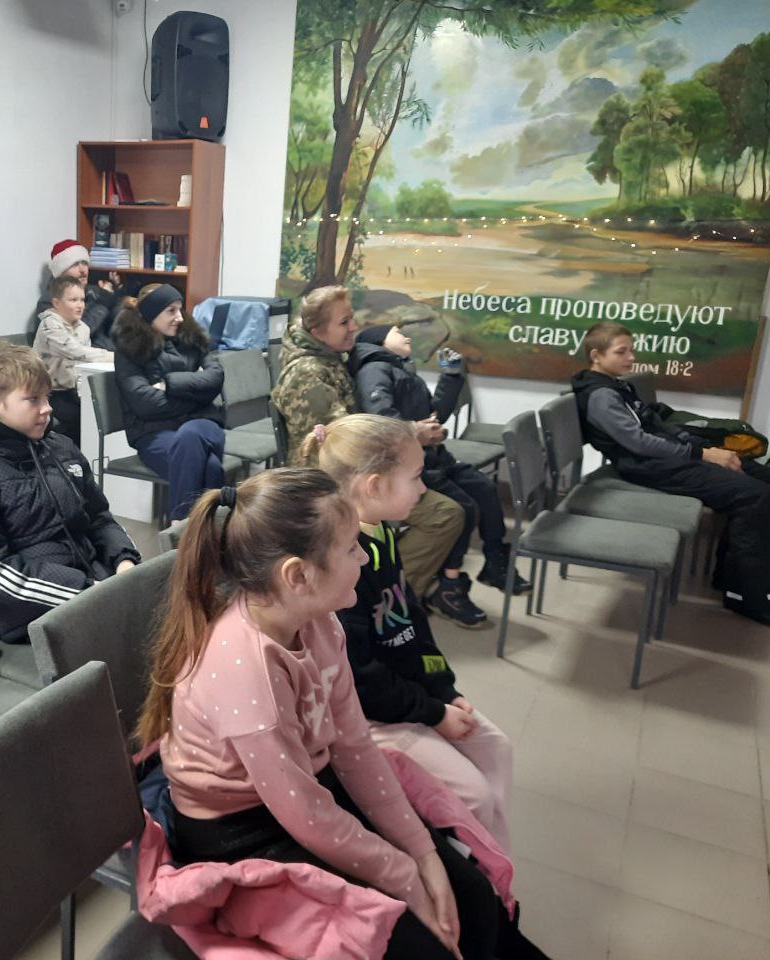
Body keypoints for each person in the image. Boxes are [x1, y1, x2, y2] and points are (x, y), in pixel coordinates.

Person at [136, 469, 547, 960]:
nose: (365, 557)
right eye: (352, 547)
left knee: (472, 897)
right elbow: (306, 815)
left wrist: (422, 852)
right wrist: (405, 876)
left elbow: (353, 746)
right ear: (297, 575)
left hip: (306, 790)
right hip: (241, 829)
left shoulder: (321, 622)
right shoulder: (246, 670)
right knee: (415, 940)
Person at [302, 415, 513, 851]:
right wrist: (433, 713)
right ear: (375, 486)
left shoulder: (381, 534)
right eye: (416, 476)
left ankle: (490, 858)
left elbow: (411, 621)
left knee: (496, 747)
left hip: (406, 695)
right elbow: (361, 680)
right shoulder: (343, 562)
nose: (423, 488)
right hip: (366, 716)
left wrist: (444, 689)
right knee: (473, 795)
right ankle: (472, 863)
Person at [572, 321, 770, 631]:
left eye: (632, 350)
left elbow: (655, 424)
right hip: (649, 466)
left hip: (666, 456)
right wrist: (702, 454)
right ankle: (752, 598)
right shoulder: (601, 395)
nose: (631, 357)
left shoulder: (616, 385)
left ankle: (736, 576)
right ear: (596, 355)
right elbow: (638, 443)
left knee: (769, 479)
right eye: (621, 351)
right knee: (755, 496)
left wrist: (699, 444)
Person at [271, 286, 469, 622]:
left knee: (444, 499)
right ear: (317, 331)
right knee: (445, 515)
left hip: (355, 473)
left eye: (353, 318)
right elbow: (345, 443)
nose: (354, 327)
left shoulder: (330, 357)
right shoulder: (309, 374)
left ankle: (386, 586)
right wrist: (412, 432)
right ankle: (384, 595)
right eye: (344, 322)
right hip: (333, 485)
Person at [0, 342, 140, 644]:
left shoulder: (58, 446)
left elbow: (99, 517)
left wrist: (124, 562)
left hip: (92, 586)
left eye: (47, 396)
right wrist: (84, 592)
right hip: (29, 613)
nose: (47, 408)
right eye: (32, 399)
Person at [350, 324, 531, 610]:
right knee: (465, 508)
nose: (406, 336)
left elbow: (436, 414)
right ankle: (450, 584)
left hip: (434, 457)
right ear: (379, 341)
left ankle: (496, 561)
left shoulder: (400, 369)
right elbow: (381, 419)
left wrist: (451, 377)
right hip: (410, 464)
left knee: (483, 487)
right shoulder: (374, 370)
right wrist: (415, 430)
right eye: (397, 332)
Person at [111, 283, 226, 523]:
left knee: (190, 435)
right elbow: (144, 403)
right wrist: (197, 395)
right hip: (153, 433)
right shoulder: (129, 348)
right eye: (171, 311)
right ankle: (211, 532)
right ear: (152, 315)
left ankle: (180, 529)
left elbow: (216, 378)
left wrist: (170, 384)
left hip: (203, 424)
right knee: (211, 467)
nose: (180, 317)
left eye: (180, 309)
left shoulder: (194, 339)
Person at [32, 275, 114, 443]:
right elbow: (75, 351)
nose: (80, 305)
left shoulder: (83, 328)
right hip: (48, 392)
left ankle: (94, 454)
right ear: (56, 303)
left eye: (82, 300)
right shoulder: (49, 324)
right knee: (78, 417)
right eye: (73, 300)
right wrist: (112, 356)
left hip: (72, 389)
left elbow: (85, 364)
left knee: (98, 410)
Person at [30, 240, 119, 350]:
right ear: (60, 271)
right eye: (75, 264)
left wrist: (118, 294)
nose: (83, 270)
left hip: (103, 353)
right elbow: (76, 337)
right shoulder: (49, 301)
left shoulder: (94, 291)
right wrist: (102, 305)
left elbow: (115, 325)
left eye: (85, 263)